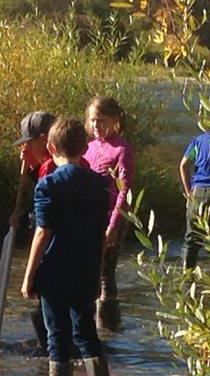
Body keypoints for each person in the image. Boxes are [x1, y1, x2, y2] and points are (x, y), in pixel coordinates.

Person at [21, 118, 110, 376]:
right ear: (85, 149)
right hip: (86, 268)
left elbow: (42, 233)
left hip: (55, 272)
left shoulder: (48, 184)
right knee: (86, 334)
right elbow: (101, 236)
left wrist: (29, 276)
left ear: (50, 148)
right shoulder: (99, 184)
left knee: (57, 337)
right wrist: (97, 273)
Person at [83, 97, 135, 331]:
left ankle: (109, 327)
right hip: (91, 216)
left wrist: (113, 225)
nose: (96, 126)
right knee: (89, 269)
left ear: (115, 121)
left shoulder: (122, 149)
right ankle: (91, 324)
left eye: (101, 121)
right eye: (93, 120)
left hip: (113, 216)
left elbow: (125, 190)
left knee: (106, 272)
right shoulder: (89, 147)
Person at [9, 111, 56, 355]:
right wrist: (30, 168)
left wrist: (30, 273)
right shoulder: (50, 165)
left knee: (45, 311)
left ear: (43, 139)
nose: (26, 147)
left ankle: (50, 356)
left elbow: (45, 220)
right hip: (65, 250)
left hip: (52, 249)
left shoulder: (50, 168)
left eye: (29, 142)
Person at [179, 130, 210, 270]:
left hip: (197, 193)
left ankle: (186, 280)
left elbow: (184, 165)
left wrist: (188, 193)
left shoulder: (199, 140)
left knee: (191, 240)